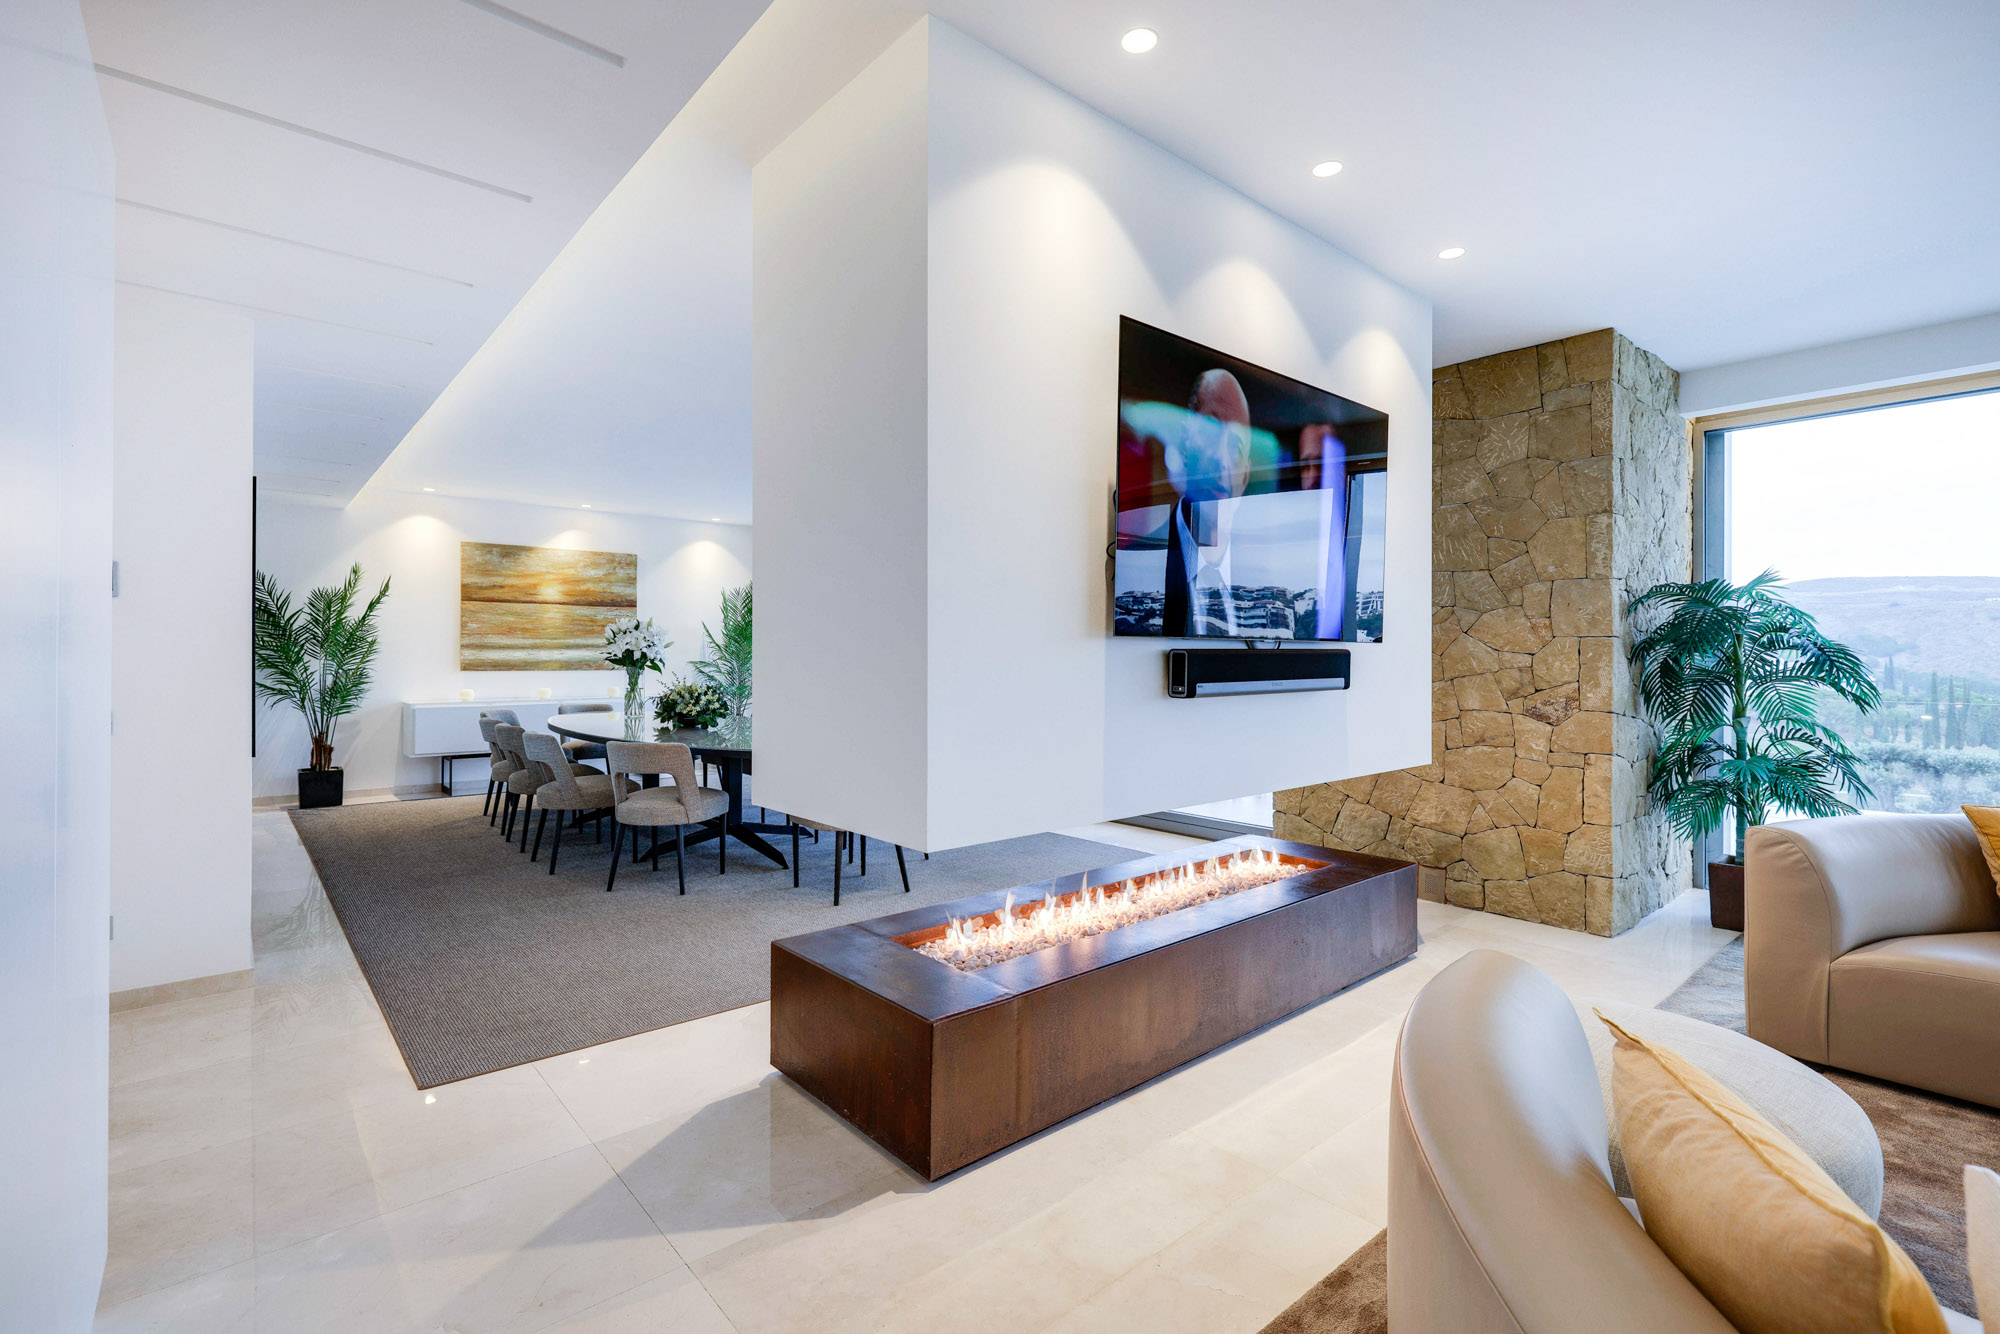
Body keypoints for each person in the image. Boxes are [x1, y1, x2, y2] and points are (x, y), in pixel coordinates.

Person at [1162, 369, 1254, 635]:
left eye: (1235, 447)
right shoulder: (1137, 564)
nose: (1221, 459)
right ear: (1185, 440)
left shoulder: (1263, 580)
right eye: (1211, 432)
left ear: (1245, 477)